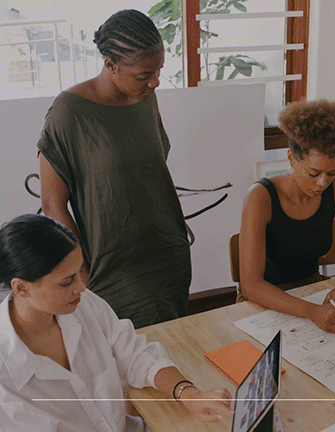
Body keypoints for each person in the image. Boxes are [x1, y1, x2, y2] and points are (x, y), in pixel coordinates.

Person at [0, 214, 232, 432]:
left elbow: (135, 355)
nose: (81, 287)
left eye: (80, 271)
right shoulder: (5, 373)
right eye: (66, 281)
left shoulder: (82, 304)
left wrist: (188, 394)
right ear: (21, 287)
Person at [38, 9, 191, 328]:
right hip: (112, 265)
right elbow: (53, 203)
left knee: (173, 346)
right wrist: (79, 269)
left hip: (167, 254)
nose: (155, 81)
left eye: (159, 70)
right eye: (143, 75)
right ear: (111, 65)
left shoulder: (145, 98)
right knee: (126, 357)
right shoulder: (68, 113)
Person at [238, 99, 335, 334]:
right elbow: (251, 286)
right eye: (314, 173)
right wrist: (312, 312)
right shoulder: (260, 196)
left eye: (331, 173)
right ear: (292, 158)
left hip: (311, 292)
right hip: (264, 302)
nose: (323, 183)